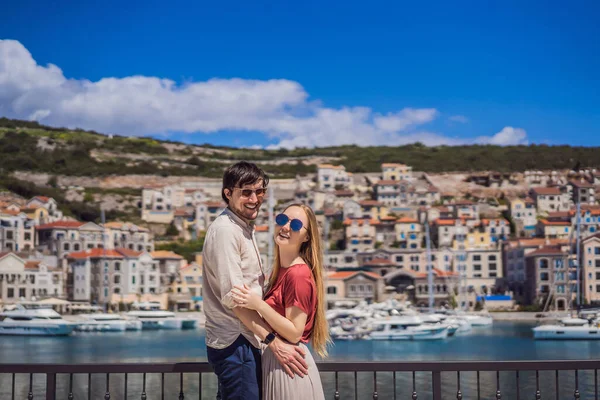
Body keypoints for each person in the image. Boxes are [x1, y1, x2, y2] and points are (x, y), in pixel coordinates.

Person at [202, 162, 308, 400]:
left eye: (259, 192)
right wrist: (273, 342)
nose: (254, 199)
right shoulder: (227, 231)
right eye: (246, 192)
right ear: (228, 193)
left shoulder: (242, 229)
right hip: (236, 342)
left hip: (245, 340)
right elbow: (236, 299)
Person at [232, 203, 330, 400]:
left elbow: (295, 332)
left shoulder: (298, 274)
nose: (285, 227)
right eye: (282, 220)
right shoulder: (281, 272)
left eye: (295, 225)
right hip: (281, 362)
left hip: (290, 366)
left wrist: (258, 304)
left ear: (307, 237)